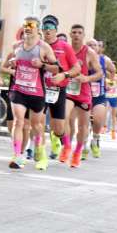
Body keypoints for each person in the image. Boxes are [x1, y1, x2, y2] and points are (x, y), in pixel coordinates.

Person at [1, 18, 56, 171]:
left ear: (38, 29)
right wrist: (12, 65)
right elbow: (5, 66)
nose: (27, 28)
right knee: (19, 122)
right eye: (25, 25)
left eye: (31, 25)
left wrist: (42, 65)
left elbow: (57, 68)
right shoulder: (16, 46)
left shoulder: (44, 48)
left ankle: (41, 154)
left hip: (37, 92)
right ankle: (18, 155)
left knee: (36, 125)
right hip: (19, 90)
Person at [40, 15, 77, 162]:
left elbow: (77, 68)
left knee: (58, 129)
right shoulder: (38, 46)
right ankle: (40, 154)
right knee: (38, 123)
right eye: (45, 28)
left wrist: (64, 75)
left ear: (56, 30)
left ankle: (65, 144)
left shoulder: (65, 47)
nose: (48, 31)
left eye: (51, 28)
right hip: (39, 89)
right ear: (42, 30)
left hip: (58, 90)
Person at [64, 24, 101, 167]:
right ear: (70, 34)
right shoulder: (66, 49)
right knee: (65, 118)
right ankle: (67, 146)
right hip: (68, 91)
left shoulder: (89, 52)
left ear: (83, 35)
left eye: (79, 32)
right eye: (74, 32)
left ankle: (78, 152)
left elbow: (99, 73)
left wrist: (87, 79)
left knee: (83, 126)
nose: (77, 35)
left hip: (83, 93)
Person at [87, 39, 111, 157]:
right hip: (84, 96)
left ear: (98, 48)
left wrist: (109, 83)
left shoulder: (104, 60)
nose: (91, 47)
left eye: (94, 45)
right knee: (84, 124)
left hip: (99, 96)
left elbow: (112, 70)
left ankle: (95, 138)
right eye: (89, 45)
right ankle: (83, 147)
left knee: (97, 120)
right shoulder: (82, 59)